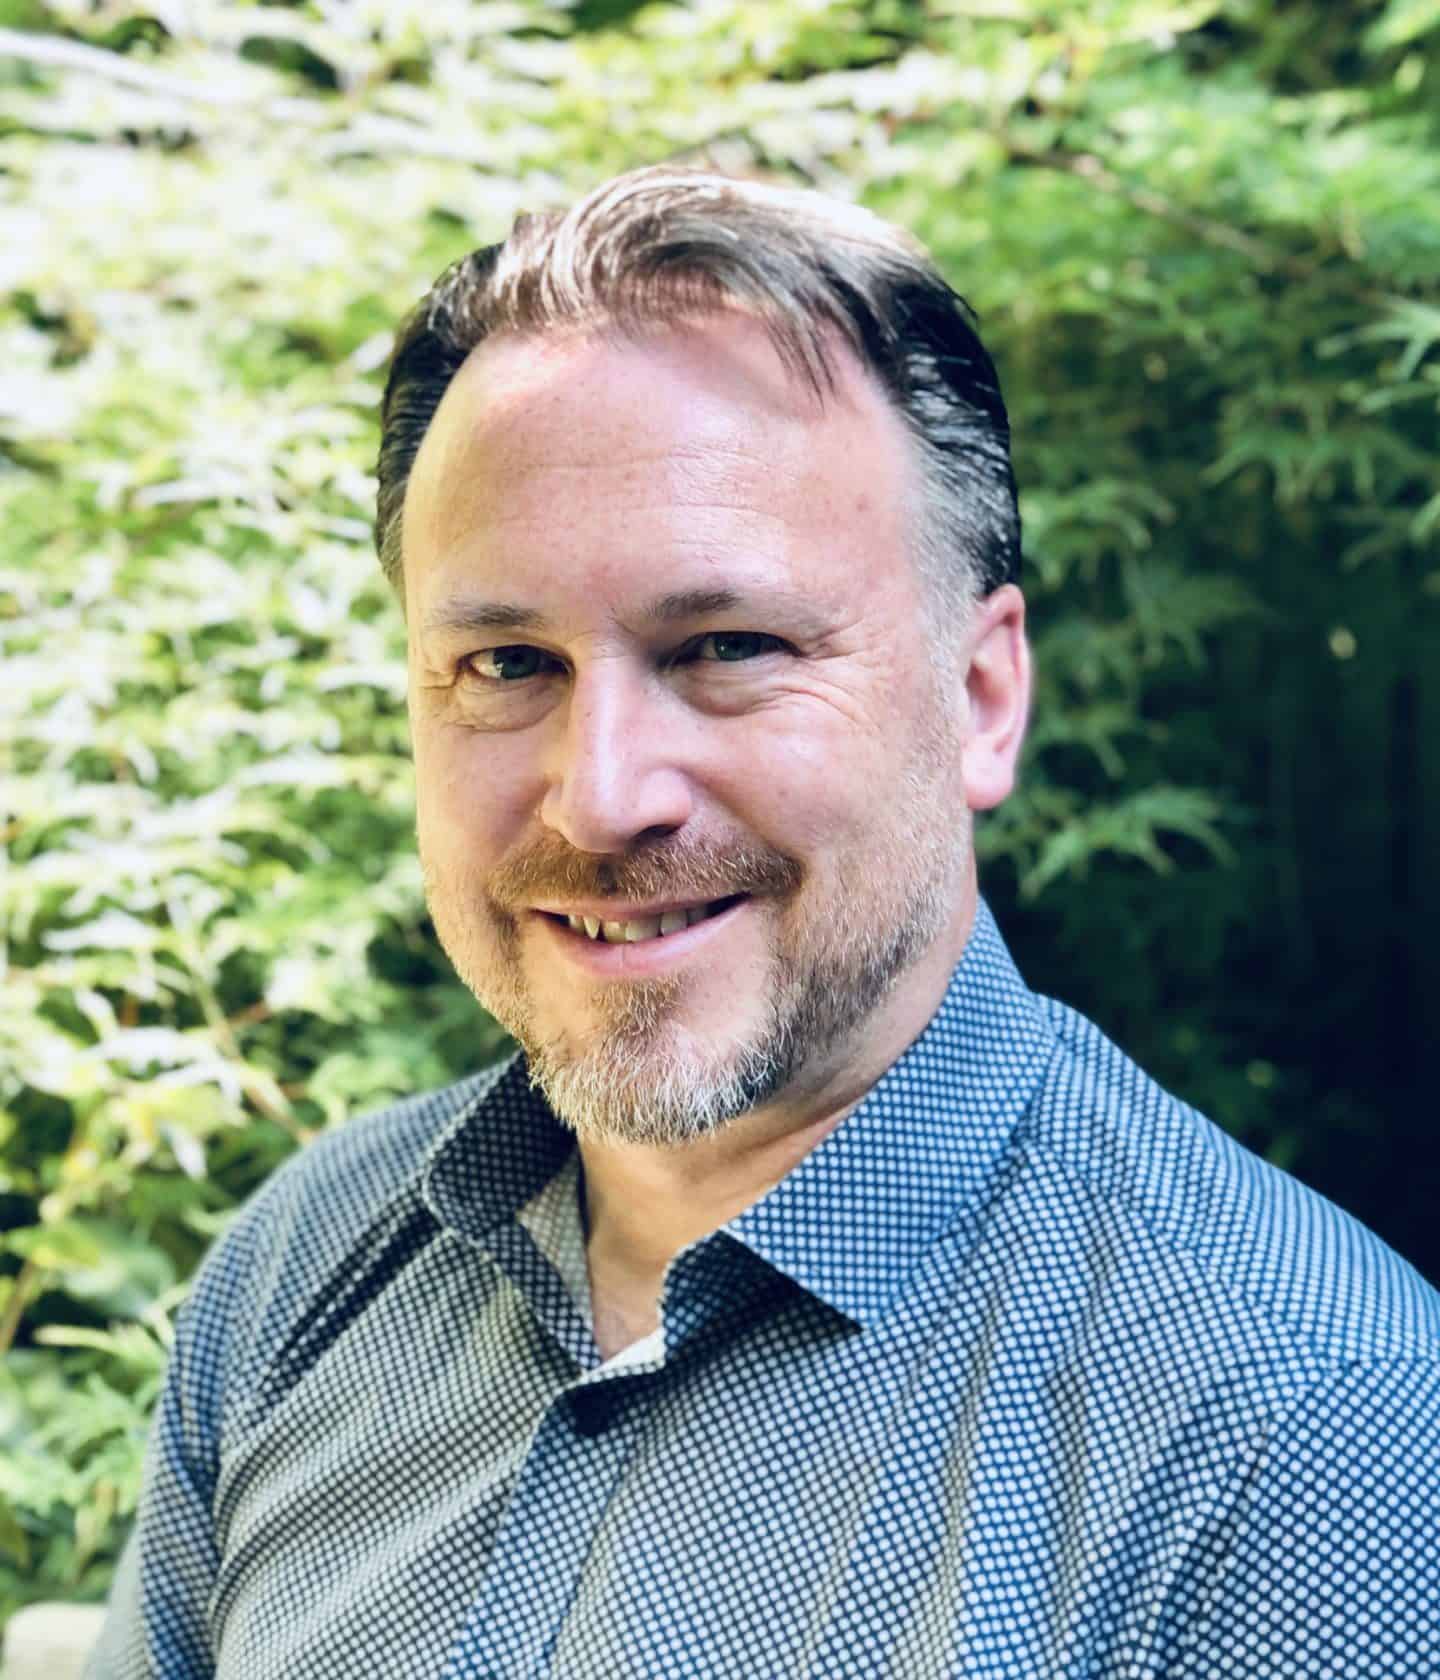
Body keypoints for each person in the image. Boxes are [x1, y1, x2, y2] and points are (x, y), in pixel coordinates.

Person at [90, 166, 1439, 1679]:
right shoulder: (301, 1272)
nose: (600, 800)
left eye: (728, 646)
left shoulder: (1302, 1434)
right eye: (506, 665)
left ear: (983, 695)